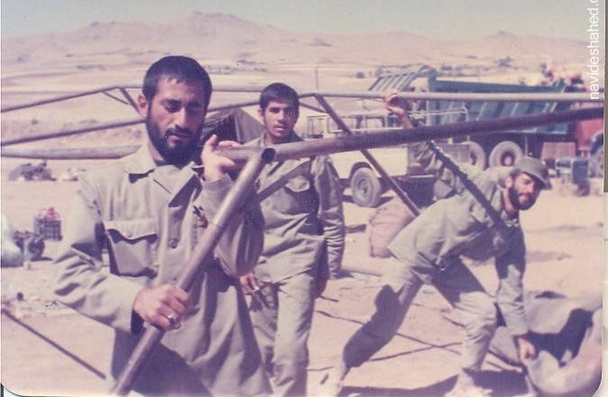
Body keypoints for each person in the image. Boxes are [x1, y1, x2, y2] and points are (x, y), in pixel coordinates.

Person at [53, 56, 271, 396]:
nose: (182, 121)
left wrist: (219, 184)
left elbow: (240, 262)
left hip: (227, 378)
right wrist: (135, 300)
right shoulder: (104, 185)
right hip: (145, 375)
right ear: (144, 104)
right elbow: (68, 273)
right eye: (171, 106)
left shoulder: (229, 175)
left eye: (194, 109)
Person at [321, 91, 547, 397]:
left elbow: (511, 288)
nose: (530, 191)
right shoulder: (479, 185)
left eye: (537, 188)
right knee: (383, 328)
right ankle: (337, 373)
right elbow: (434, 158)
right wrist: (404, 117)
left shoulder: (512, 237)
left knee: (483, 314)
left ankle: (465, 386)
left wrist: (521, 336)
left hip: (445, 265)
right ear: (510, 180)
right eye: (526, 182)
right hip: (414, 254)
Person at [240, 82, 346, 396]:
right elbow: (233, 216)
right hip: (259, 263)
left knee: (290, 353)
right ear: (261, 113)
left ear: (297, 116)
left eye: (289, 111)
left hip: (299, 262)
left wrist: (328, 269)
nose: (281, 118)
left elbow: (332, 217)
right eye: (274, 110)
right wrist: (242, 265)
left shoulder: (312, 157)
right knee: (261, 349)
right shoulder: (245, 155)